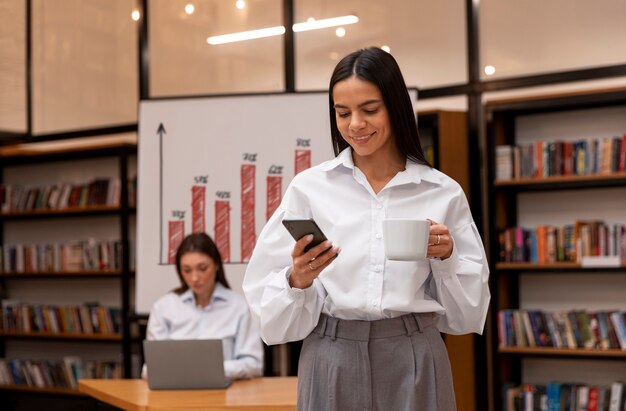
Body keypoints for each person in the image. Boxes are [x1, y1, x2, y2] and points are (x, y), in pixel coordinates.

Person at [243, 47, 490, 411]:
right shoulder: (310, 188)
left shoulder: (441, 191)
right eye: (343, 113)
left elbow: (468, 313)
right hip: (331, 354)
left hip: (415, 353)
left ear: (396, 106)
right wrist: (297, 278)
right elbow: (266, 309)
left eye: (369, 110)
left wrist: (447, 258)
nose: (355, 124)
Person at [144, 232, 263, 380]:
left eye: (202, 268)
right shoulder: (163, 308)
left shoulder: (238, 307)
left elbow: (254, 364)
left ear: (216, 265)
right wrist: (200, 370)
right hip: (175, 394)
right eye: (187, 270)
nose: (194, 278)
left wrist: (211, 370)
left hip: (225, 394)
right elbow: (150, 367)